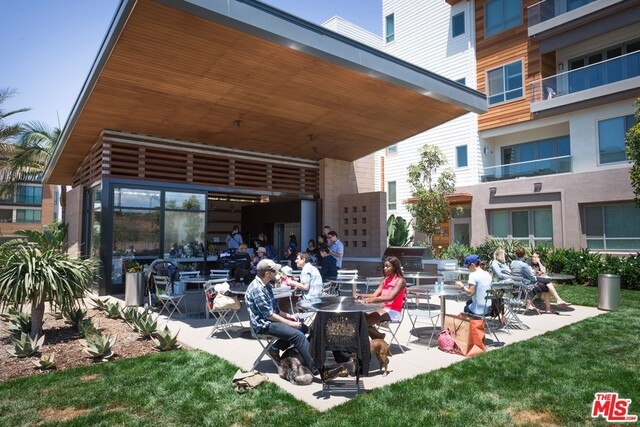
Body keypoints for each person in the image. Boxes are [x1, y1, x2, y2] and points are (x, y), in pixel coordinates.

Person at [245, 259, 319, 375]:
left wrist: (290, 316)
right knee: (298, 336)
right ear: (267, 273)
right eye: (274, 271)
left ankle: (274, 348)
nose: (277, 273)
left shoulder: (267, 285)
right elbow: (269, 315)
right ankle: (318, 369)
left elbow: (275, 310)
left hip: (270, 321)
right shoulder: (257, 289)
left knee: (303, 328)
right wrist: (290, 323)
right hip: (263, 325)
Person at [355, 256, 406, 340]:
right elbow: (375, 295)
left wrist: (373, 300)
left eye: (388, 266)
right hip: (382, 308)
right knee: (361, 317)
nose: (385, 268)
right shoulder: (385, 280)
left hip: (393, 311)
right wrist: (361, 295)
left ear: (395, 267)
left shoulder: (400, 281)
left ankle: (377, 337)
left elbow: (390, 298)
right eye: (384, 266)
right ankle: (379, 336)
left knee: (362, 322)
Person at [510, 247, 571, 313]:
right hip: (526, 285)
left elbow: (542, 271)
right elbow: (531, 277)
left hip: (516, 285)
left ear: (515, 254)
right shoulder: (524, 264)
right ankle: (553, 305)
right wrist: (535, 278)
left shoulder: (512, 263)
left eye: (535, 257)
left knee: (546, 283)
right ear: (524, 255)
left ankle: (556, 302)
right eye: (533, 256)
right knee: (547, 283)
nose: (533, 258)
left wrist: (538, 265)